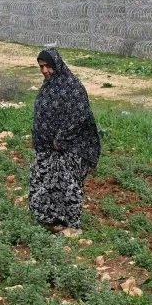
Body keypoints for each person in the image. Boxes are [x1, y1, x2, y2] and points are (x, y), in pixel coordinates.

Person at [30, 47, 100, 236]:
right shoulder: (49, 85)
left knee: (68, 185)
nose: (45, 71)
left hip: (72, 147)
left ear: (57, 64)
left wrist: (61, 139)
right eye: (41, 67)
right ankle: (54, 220)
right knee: (45, 182)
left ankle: (73, 227)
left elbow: (79, 117)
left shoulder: (72, 87)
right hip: (48, 148)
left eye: (48, 66)